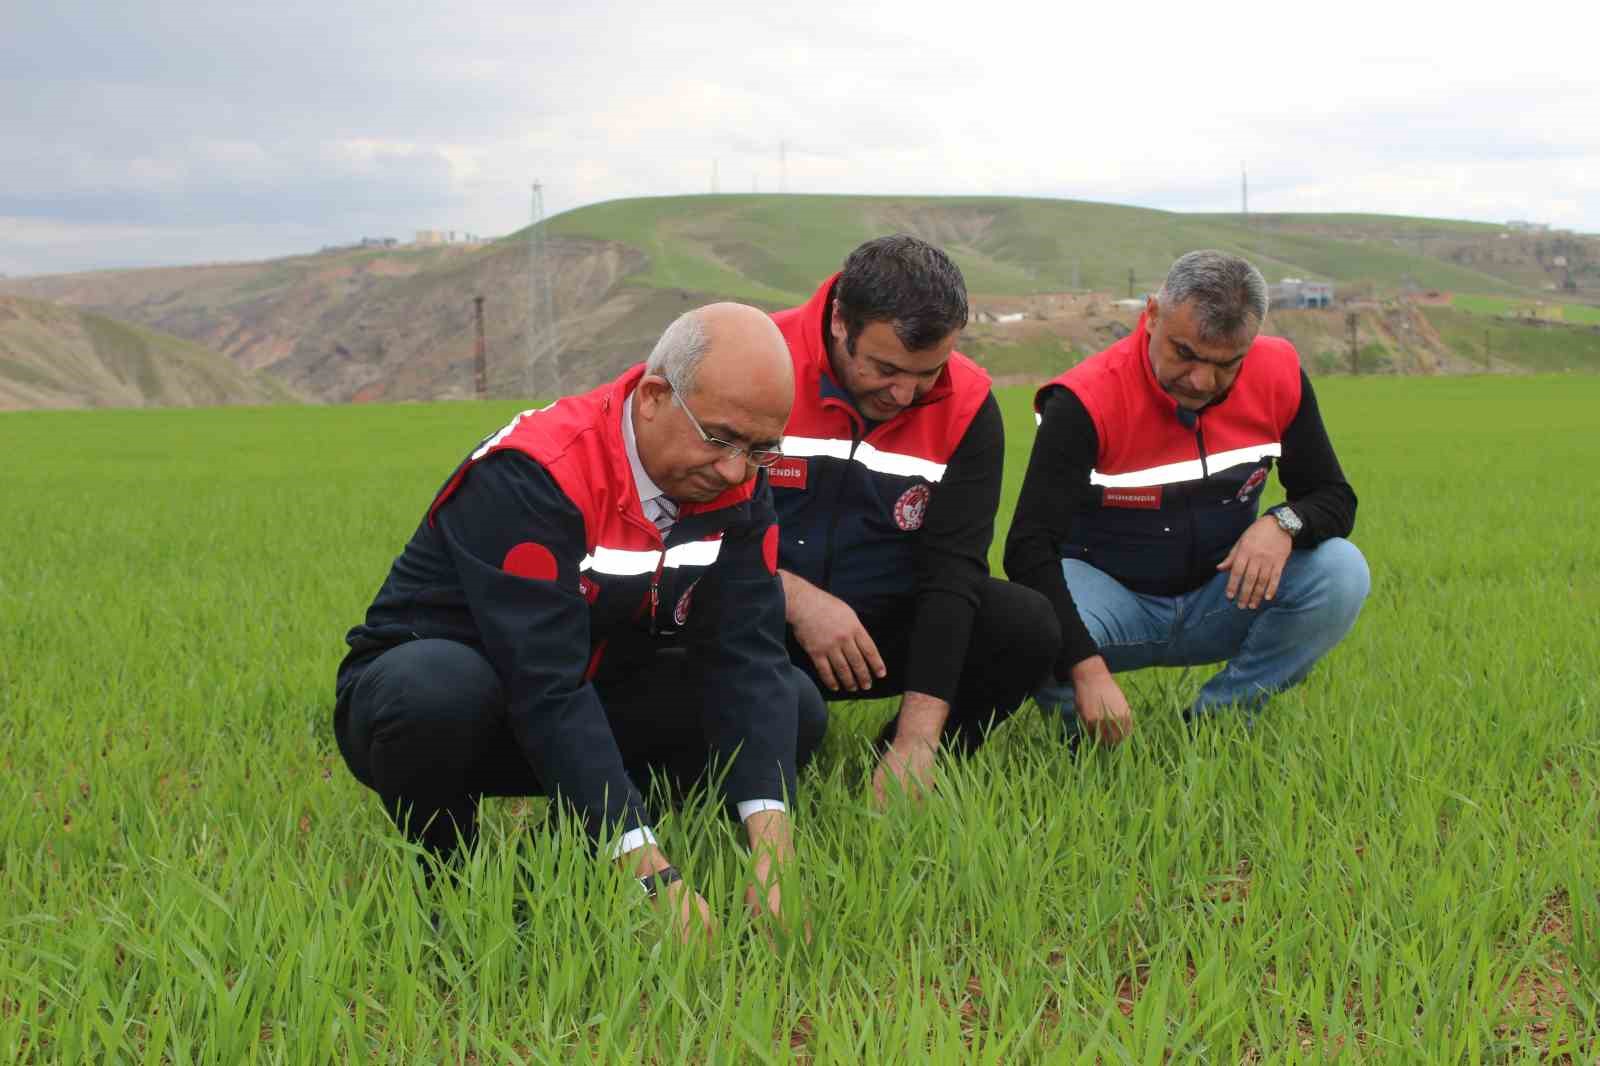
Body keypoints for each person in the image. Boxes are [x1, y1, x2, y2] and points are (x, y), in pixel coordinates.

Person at [333, 303, 825, 940]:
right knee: (432, 688)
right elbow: (544, 683)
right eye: (719, 439)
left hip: (587, 692)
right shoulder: (536, 472)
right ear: (654, 397)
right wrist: (652, 878)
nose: (735, 469)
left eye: (760, 450)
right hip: (467, 704)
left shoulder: (734, 479)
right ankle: (451, 882)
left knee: (794, 704)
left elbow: (749, 655)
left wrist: (775, 859)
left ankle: (564, 849)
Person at [1005, 250, 1370, 744]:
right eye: (1185, 353)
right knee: (1025, 621)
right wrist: (1086, 670)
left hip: (1220, 596)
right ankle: (1087, 744)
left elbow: (1333, 496)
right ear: (1152, 315)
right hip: (1106, 605)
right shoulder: (1084, 400)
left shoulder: (1277, 374)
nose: (1201, 381)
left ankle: (1219, 724)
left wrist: (1282, 524)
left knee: (1341, 570)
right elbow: (1028, 548)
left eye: (1226, 364)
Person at [768, 235, 1059, 804]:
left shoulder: (968, 406)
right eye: (885, 369)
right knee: (791, 719)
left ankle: (899, 774)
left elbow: (953, 572)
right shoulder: (756, 364)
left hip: (877, 630)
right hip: (757, 614)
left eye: (927, 372)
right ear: (840, 322)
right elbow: (687, 529)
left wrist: (918, 739)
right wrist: (794, 599)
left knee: (1023, 627)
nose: (904, 394)